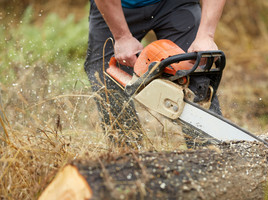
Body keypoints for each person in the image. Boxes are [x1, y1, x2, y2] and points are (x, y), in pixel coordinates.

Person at [84, 0, 226, 148]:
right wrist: (122, 37)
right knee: (104, 77)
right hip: (117, 7)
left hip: (176, 5)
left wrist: (206, 35)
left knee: (195, 72)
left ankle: (211, 153)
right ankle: (126, 156)